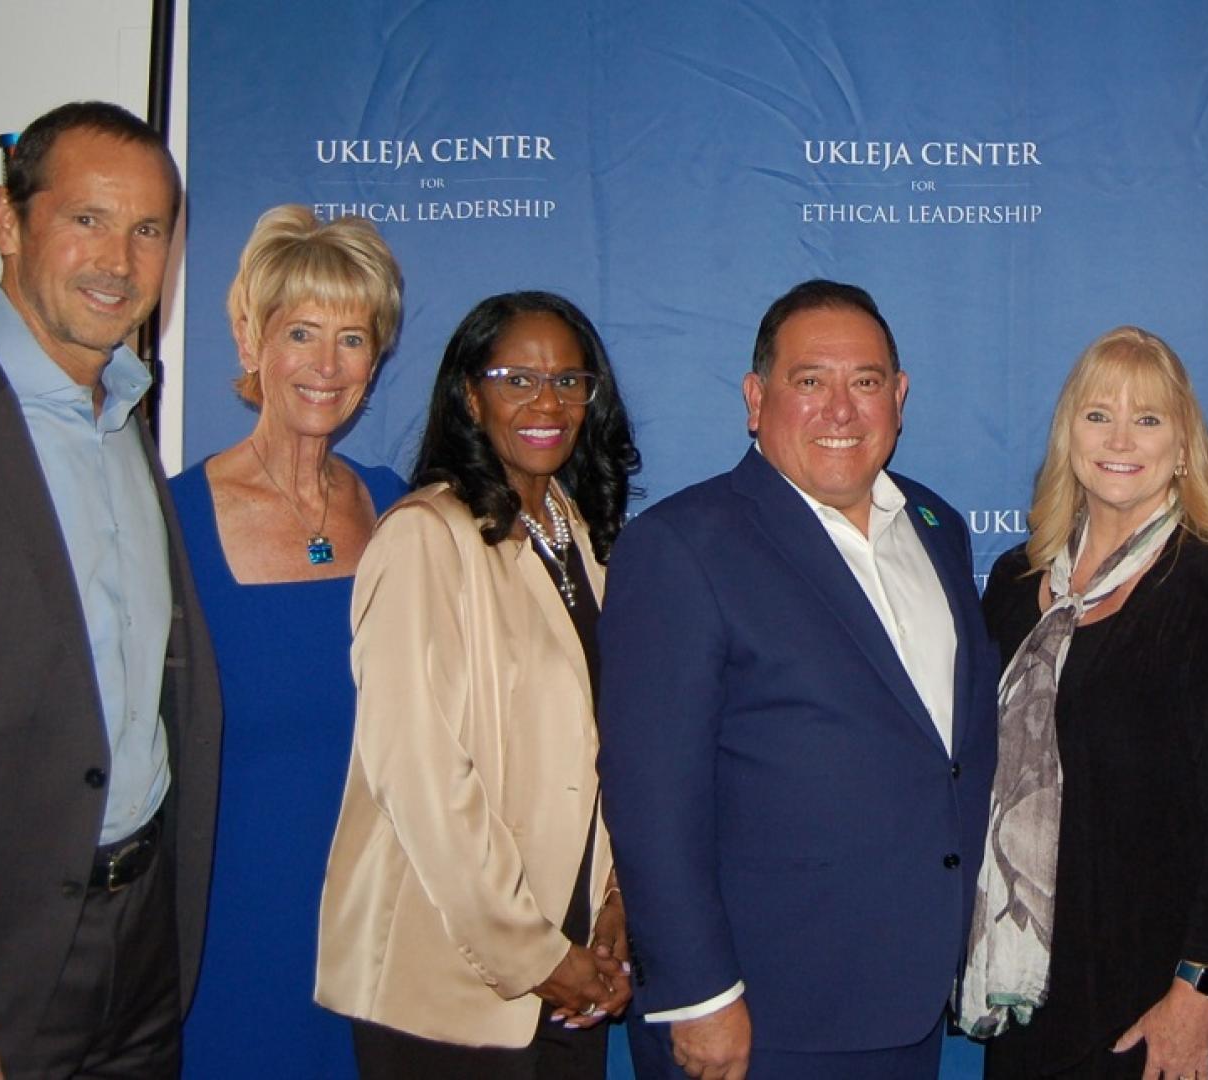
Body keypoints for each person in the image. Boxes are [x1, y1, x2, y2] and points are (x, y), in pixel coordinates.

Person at [0, 101, 221, 1078]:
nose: (120, 260)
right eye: (88, 220)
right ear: (8, 222)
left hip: (139, 957)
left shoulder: (122, 422)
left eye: (148, 230)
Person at [597, 279, 998, 1079]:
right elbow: (650, 796)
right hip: (761, 1016)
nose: (841, 409)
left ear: (900, 396)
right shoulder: (681, 547)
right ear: (756, 398)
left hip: (910, 1000)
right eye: (810, 381)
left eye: (867, 381)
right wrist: (700, 996)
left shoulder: (937, 526)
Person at [314, 291, 641, 1078]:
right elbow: (421, 780)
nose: (546, 402)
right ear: (469, 393)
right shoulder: (426, 538)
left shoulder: (586, 540)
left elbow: (611, 746)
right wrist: (530, 954)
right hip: (453, 980)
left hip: (573, 967)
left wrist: (615, 903)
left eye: (569, 381)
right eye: (516, 378)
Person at [959, 327, 1208, 1079]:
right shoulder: (1015, 584)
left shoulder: (1205, 594)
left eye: (1149, 418)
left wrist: (1197, 993)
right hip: (1034, 982)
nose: (1121, 438)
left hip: (1160, 992)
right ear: (1068, 433)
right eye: (1099, 414)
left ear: (1182, 445)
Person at [170, 205, 405, 1078]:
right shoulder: (170, 521)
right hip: (227, 939)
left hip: (380, 940)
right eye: (301, 332)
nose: (325, 365)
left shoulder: (401, 507)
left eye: (353, 338)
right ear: (248, 339)